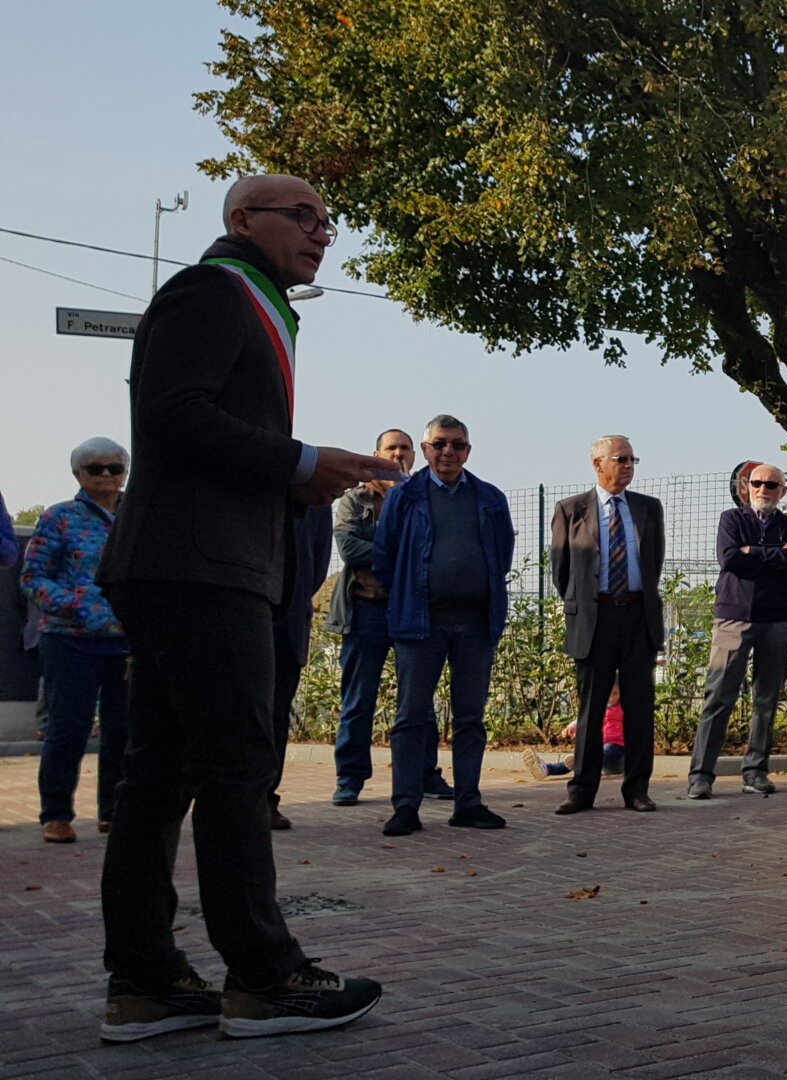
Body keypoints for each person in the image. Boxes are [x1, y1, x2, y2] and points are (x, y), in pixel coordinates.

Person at [95, 174, 386, 1040]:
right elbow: (173, 415)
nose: (321, 232)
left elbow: (204, 431)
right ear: (240, 220)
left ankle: (145, 983)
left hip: (191, 563)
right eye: (301, 216)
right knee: (236, 766)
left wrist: (295, 482)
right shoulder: (210, 290)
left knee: (160, 776)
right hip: (198, 569)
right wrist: (301, 466)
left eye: (327, 221)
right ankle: (264, 977)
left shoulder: (250, 299)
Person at [374, 414, 517, 835]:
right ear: (425, 449)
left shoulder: (490, 498)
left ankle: (468, 802)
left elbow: (502, 555)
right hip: (420, 625)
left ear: (468, 451)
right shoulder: (405, 496)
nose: (448, 452)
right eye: (439, 444)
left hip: (475, 625)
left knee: (470, 718)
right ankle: (405, 806)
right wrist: (407, 594)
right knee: (411, 717)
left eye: (457, 445)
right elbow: (385, 558)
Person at [322, 429, 452, 806]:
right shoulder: (353, 501)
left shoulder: (425, 498)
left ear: (416, 455)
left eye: (405, 449)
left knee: (419, 700)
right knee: (358, 699)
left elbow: (434, 547)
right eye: (391, 448)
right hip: (365, 611)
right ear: (376, 454)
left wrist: (389, 551)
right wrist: (401, 552)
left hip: (412, 610)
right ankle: (350, 779)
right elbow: (348, 548)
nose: (398, 454)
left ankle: (425, 774)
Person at [21, 438, 130, 844]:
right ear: (78, 475)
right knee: (69, 728)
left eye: (114, 468)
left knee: (124, 731)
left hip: (126, 641)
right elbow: (32, 578)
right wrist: (74, 605)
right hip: (70, 639)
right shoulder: (59, 518)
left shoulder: (140, 515)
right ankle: (56, 814)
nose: (105, 475)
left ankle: (115, 811)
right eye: (95, 468)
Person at [548, 435, 664, 814]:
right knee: (591, 708)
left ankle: (637, 790)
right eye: (621, 458)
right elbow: (562, 572)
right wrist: (586, 603)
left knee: (639, 707)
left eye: (633, 459)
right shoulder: (571, 510)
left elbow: (653, 564)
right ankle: (582, 790)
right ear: (598, 464)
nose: (629, 465)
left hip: (635, 617)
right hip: (594, 619)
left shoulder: (649, 509)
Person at [688, 464, 787, 799]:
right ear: (746, 486)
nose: (764, 488)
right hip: (733, 618)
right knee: (718, 696)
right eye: (758, 483)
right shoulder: (731, 520)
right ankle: (701, 776)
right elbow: (729, 559)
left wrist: (752, 552)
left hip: (778, 620)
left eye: (772, 484)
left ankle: (756, 772)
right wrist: (776, 555)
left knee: (766, 700)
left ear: (782, 491)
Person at [265, 500, 335, 829]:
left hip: (288, 624)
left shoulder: (313, 498)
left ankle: (265, 799)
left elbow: (317, 566)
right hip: (239, 618)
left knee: (277, 716)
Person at [525, 688, 626, 779]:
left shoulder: (624, 707)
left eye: (615, 694)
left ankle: (578, 761)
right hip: (602, 752)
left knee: (597, 754)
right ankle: (548, 769)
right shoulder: (600, 707)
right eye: (608, 694)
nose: (611, 698)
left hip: (617, 747)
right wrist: (572, 726)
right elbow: (585, 719)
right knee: (584, 756)